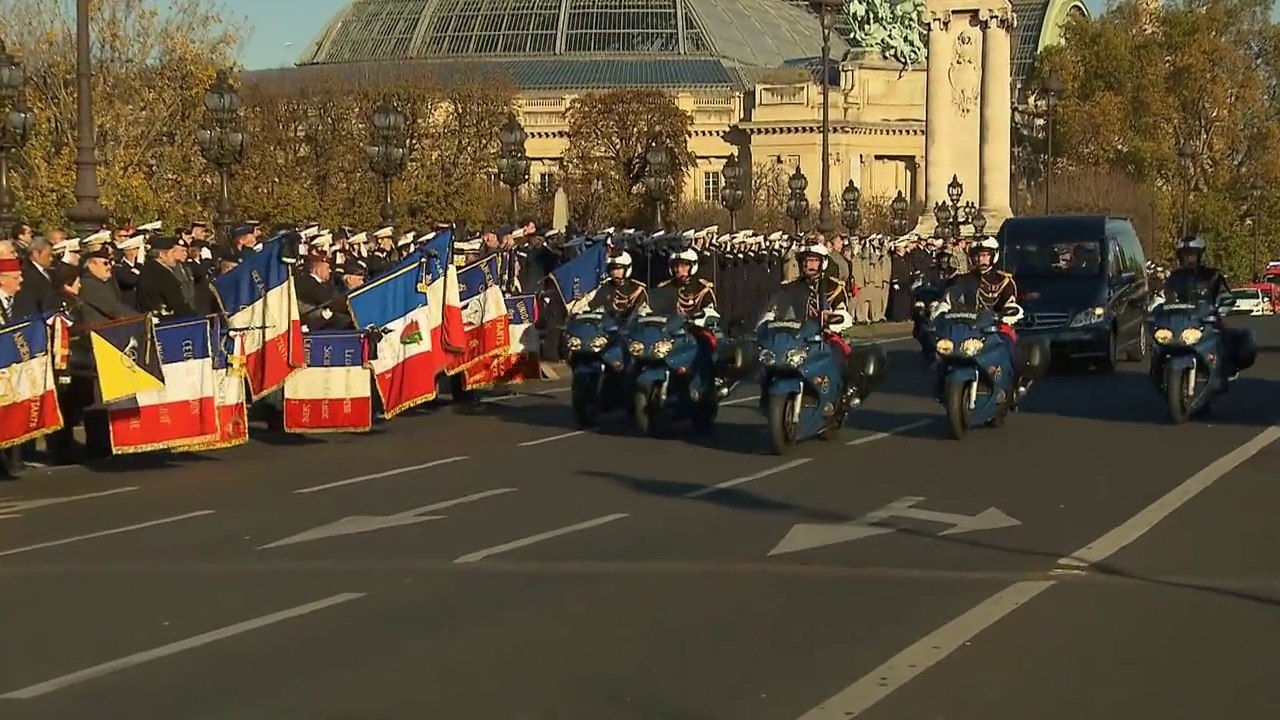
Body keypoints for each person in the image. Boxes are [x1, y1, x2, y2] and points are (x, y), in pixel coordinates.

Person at [758, 242, 882, 405]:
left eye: (813, 261)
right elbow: (775, 308)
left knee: (840, 355)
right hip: (797, 336)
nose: (809, 265)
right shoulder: (790, 287)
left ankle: (844, 394)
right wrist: (766, 320)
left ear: (822, 263)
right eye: (806, 261)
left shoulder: (833, 286)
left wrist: (834, 318)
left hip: (826, 335)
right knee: (770, 360)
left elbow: (843, 312)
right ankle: (767, 396)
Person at [931, 236, 1045, 399]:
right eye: (978, 255)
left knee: (1008, 346)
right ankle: (942, 383)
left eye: (985, 255)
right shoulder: (962, 279)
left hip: (996, 326)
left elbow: (1010, 302)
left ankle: (1015, 385)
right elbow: (950, 298)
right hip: (969, 325)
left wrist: (1009, 314)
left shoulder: (1003, 280)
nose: (981, 259)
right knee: (943, 348)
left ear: (993, 256)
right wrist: (940, 310)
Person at [1161, 235, 1255, 380]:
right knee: (1161, 338)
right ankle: (1160, 367)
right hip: (1181, 319)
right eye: (1186, 255)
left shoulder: (1212, 275)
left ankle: (1225, 368)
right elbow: (1164, 295)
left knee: (1224, 336)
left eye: (1192, 255)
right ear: (1180, 257)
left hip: (1207, 318)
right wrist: (1157, 306)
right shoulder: (1174, 277)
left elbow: (1225, 294)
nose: (1189, 259)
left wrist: (1222, 304)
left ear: (1199, 255)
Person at [136, 236, 198, 318]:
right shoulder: (158, 273)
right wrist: (193, 315)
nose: (174, 257)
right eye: (172, 253)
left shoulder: (153, 269)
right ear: (162, 255)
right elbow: (174, 301)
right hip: (167, 320)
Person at [581, 250, 649, 320]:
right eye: (612, 269)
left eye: (619, 269)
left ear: (627, 269)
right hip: (609, 327)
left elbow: (644, 311)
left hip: (632, 326)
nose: (615, 273)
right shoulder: (606, 288)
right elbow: (591, 307)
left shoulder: (637, 289)